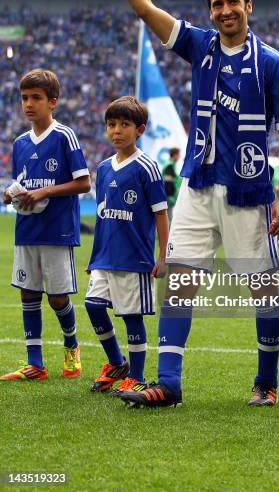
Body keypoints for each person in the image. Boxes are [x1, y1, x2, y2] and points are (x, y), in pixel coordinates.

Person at [78, 0, 279, 408]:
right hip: (197, 187)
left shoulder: (274, 63)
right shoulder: (198, 47)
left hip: (248, 194)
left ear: (248, 7)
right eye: (216, 5)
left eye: (232, 3)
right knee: (181, 283)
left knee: (262, 290)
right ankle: (169, 384)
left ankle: (267, 382)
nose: (224, 11)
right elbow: (143, 6)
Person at [1, 69, 91, 381]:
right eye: (24, 98)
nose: (28, 104)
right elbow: (22, 181)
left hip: (57, 230)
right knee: (28, 293)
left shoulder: (65, 136)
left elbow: (83, 183)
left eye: (36, 98)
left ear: (52, 102)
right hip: (27, 230)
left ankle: (71, 346)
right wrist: (12, 193)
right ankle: (35, 364)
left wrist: (44, 191)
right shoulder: (20, 143)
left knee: (57, 298)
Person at [85, 96, 169, 394]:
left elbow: (161, 213)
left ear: (140, 130)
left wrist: (163, 255)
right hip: (105, 257)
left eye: (124, 125)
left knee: (131, 316)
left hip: (135, 258)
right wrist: (94, 258)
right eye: (111, 125)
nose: (116, 131)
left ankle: (136, 375)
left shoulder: (147, 167)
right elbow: (103, 215)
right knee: (93, 305)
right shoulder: (104, 168)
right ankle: (115, 362)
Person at [162, 147, 181, 222]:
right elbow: (168, 182)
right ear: (175, 155)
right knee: (169, 217)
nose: (179, 157)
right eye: (179, 155)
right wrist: (170, 196)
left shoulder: (171, 165)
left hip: (169, 195)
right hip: (168, 195)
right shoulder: (169, 166)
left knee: (169, 216)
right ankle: (168, 233)